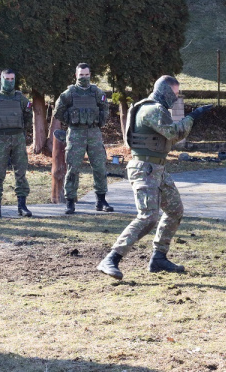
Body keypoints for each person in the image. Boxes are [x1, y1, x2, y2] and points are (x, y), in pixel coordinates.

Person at [97, 75, 212, 280]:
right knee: (148, 216)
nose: (176, 99)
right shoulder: (152, 109)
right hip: (144, 169)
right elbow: (173, 134)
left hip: (157, 169)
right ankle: (111, 259)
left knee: (175, 210)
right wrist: (193, 116)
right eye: (175, 94)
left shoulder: (156, 108)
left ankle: (159, 257)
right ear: (165, 92)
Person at [53, 63, 113, 214]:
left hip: (94, 133)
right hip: (75, 133)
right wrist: (70, 119)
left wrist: (101, 121)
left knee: (99, 167)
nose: (84, 78)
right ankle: (70, 201)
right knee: (73, 168)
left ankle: (101, 200)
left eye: (86, 75)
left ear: (90, 75)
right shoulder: (69, 93)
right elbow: (58, 111)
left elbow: (105, 107)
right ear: (76, 75)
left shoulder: (96, 92)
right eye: (81, 75)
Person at [0, 69, 33, 218]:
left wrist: (20, 130)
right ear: (2, 79)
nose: (9, 81)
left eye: (12, 78)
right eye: (7, 78)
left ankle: (22, 206)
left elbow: (28, 117)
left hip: (18, 138)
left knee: (21, 173)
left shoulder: (21, 99)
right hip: (1, 139)